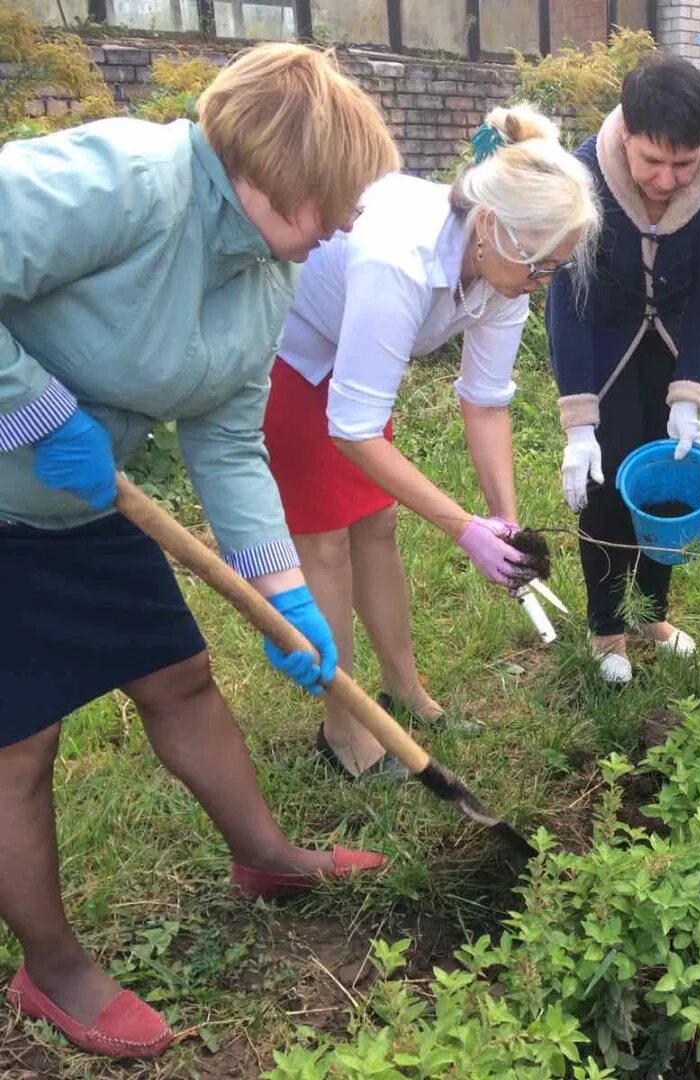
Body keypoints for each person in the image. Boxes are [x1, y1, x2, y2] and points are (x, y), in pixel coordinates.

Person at [0, 44, 400, 1059]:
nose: (349, 223)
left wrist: (281, 593)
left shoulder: (265, 265)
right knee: (18, 746)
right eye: (339, 198)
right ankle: (53, 969)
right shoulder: (124, 185)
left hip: (85, 506)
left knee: (178, 674)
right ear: (278, 173)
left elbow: (226, 435)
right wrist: (38, 413)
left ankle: (264, 854)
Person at [263, 103, 600, 777]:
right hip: (290, 354)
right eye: (539, 267)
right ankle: (346, 729)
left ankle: (405, 690)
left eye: (556, 269)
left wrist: (500, 519)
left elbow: (485, 401)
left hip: (354, 358)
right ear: (490, 226)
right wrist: (461, 529)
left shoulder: (509, 267)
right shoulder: (400, 260)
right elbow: (353, 429)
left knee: (376, 526)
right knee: (326, 545)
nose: (542, 283)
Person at [545, 54, 700, 685]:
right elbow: (568, 301)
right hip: (604, 351)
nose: (666, 179)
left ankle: (652, 613)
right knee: (606, 490)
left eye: (683, 165)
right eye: (651, 162)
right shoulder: (582, 176)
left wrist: (689, 397)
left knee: (668, 482)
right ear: (625, 134)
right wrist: (580, 421)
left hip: (677, 348)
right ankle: (608, 627)